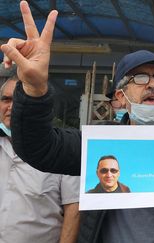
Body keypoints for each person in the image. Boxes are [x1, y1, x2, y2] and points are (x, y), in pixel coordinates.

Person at [2, 2, 154, 243]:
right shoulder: (99, 142)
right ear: (120, 97)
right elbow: (39, 148)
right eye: (140, 77)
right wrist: (33, 88)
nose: (153, 84)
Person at [0, 74, 80, 243]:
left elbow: (74, 209)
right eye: (6, 99)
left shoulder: (61, 150)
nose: (12, 106)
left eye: (22, 100)